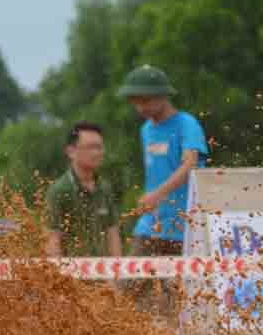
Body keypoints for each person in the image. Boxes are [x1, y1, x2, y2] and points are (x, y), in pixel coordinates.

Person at [118, 65, 207, 256]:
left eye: (145, 100)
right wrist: (149, 197)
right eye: (135, 102)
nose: (140, 107)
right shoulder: (146, 130)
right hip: (150, 223)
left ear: (163, 95)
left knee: (173, 286)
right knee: (128, 282)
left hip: (183, 226)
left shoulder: (187, 124)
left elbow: (190, 164)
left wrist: (157, 195)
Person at [43, 121, 123, 259]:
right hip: (71, 273)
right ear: (71, 151)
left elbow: (112, 233)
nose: (97, 152)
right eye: (91, 147)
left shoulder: (104, 188)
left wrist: (115, 274)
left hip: (102, 272)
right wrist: (59, 276)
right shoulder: (59, 190)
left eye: (99, 147)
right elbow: (52, 238)